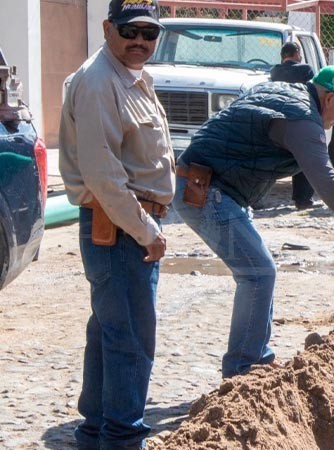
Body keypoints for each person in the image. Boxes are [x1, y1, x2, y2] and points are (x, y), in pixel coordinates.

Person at [171, 66, 334, 378]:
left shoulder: (282, 93)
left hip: (210, 186)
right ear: (330, 98)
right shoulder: (302, 120)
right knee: (258, 272)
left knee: (260, 270)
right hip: (205, 190)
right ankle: (243, 368)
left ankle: (256, 360)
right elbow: (329, 186)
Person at [58, 0, 174, 448]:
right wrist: (148, 231)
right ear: (108, 28)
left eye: (150, 34)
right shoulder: (99, 81)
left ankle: (96, 433)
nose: (140, 42)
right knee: (129, 341)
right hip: (122, 229)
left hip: (130, 225)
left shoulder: (130, 77)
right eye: (131, 32)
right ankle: (122, 439)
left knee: (111, 332)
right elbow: (104, 177)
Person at [269, 41, 318, 210]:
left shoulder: (274, 71)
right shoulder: (305, 70)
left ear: (282, 56)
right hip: (299, 117)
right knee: (304, 158)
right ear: (297, 53)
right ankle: (302, 199)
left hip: (276, 119)